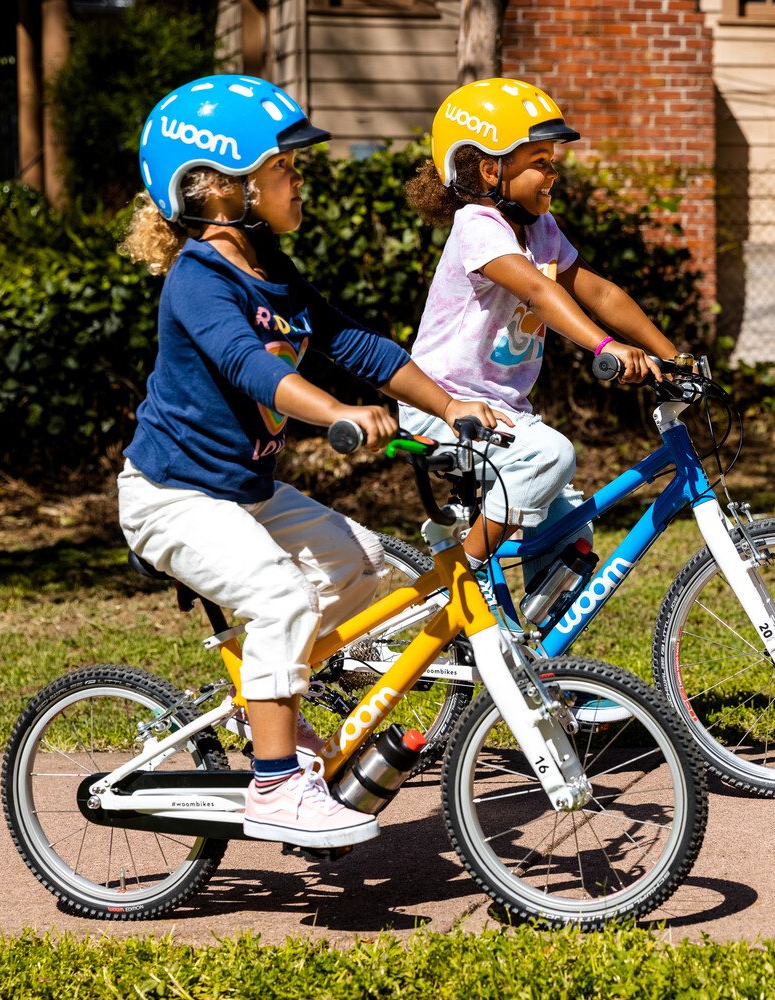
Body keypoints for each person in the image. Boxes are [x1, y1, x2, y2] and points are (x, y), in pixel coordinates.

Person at [116, 75, 507, 850]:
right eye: (285, 169)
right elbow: (248, 366)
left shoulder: (272, 272)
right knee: (278, 599)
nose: (300, 181)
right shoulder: (198, 280)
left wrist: (445, 404)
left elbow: (355, 345)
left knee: (358, 564)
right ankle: (273, 788)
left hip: (242, 491)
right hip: (169, 496)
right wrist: (336, 414)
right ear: (220, 190)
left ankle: (264, 691)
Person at [402, 78, 681, 588]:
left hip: (501, 411)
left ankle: (530, 655)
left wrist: (673, 358)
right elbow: (538, 291)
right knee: (551, 455)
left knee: (570, 529)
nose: (553, 173)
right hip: (443, 402)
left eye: (553, 160)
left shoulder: (539, 228)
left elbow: (601, 294)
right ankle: (458, 589)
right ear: (491, 169)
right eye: (540, 161)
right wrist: (605, 346)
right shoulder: (478, 224)